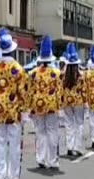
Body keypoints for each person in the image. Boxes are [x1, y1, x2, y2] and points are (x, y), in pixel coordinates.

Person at [0, 28, 27, 179]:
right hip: (14, 111)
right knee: (15, 145)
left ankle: (0, 177)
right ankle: (13, 177)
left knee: (0, 144)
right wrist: (24, 111)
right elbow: (23, 92)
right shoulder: (18, 69)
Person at [28, 35, 62, 170]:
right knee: (52, 132)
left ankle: (41, 158)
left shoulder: (33, 73)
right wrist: (60, 108)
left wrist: (29, 107)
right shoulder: (57, 73)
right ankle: (52, 160)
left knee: (40, 132)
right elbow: (59, 92)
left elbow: (29, 92)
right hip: (52, 106)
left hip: (37, 105)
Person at [62, 43, 86, 158]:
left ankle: (69, 147)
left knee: (69, 124)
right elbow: (84, 90)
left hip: (67, 101)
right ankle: (77, 147)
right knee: (79, 124)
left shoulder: (63, 76)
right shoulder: (81, 76)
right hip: (78, 102)